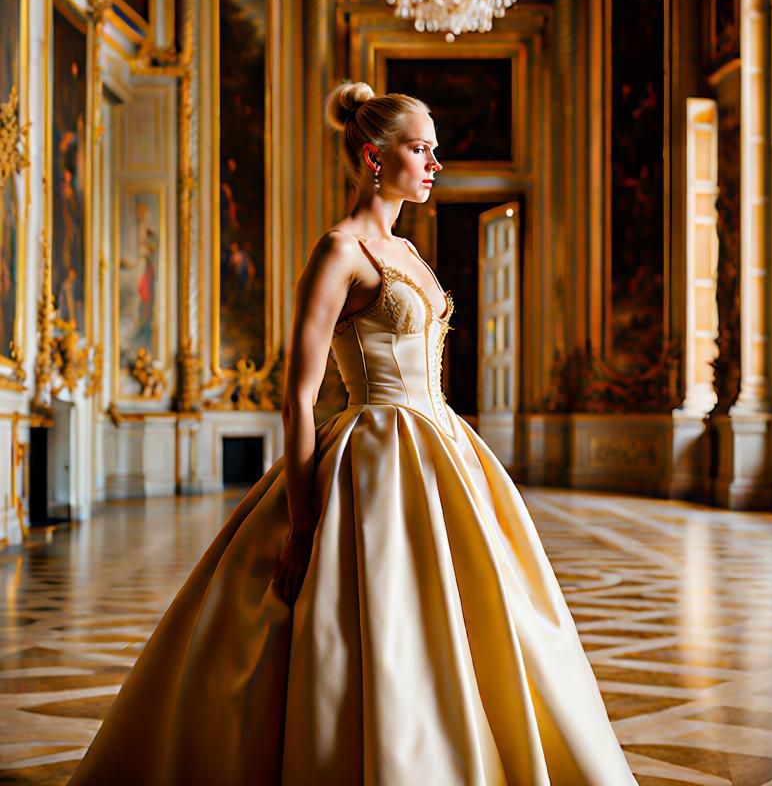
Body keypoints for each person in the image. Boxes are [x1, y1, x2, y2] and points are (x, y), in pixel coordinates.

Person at [68, 82, 636, 786]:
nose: (434, 165)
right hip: (371, 454)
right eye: (419, 150)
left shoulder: (407, 252)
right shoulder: (340, 249)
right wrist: (304, 523)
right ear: (375, 156)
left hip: (444, 451)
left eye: (434, 151)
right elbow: (299, 398)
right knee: (361, 623)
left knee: (481, 619)